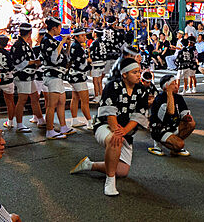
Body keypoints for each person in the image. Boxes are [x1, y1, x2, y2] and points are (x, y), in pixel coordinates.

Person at [70, 57, 151, 196]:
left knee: (122, 171)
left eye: (139, 71)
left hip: (126, 130)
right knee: (115, 140)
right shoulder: (112, 86)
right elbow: (109, 113)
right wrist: (117, 132)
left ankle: (90, 165)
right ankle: (110, 181)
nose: (139, 75)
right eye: (134, 72)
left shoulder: (142, 90)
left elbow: (139, 116)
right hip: (105, 125)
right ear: (124, 74)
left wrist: (124, 131)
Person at [147, 74, 195, 156]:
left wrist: (186, 117)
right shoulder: (160, 98)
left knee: (191, 124)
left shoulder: (178, 97)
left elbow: (183, 112)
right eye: (173, 84)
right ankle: (158, 144)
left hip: (173, 125)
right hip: (160, 129)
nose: (176, 86)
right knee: (180, 145)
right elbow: (171, 112)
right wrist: (169, 93)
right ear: (166, 86)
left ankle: (175, 146)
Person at [40, 17, 73, 139]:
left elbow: (65, 58)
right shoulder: (46, 40)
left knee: (61, 101)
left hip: (58, 75)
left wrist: (67, 45)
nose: (60, 30)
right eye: (59, 27)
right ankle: (49, 130)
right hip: (52, 75)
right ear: (54, 28)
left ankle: (63, 126)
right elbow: (54, 59)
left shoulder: (52, 40)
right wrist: (62, 42)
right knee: (52, 104)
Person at [9, 23, 44, 132]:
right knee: (22, 99)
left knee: (34, 98)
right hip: (22, 76)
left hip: (29, 76)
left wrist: (35, 63)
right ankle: (19, 124)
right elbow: (18, 63)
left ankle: (41, 120)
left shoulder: (23, 44)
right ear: (30, 33)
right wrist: (34, 62)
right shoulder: (19, 45)